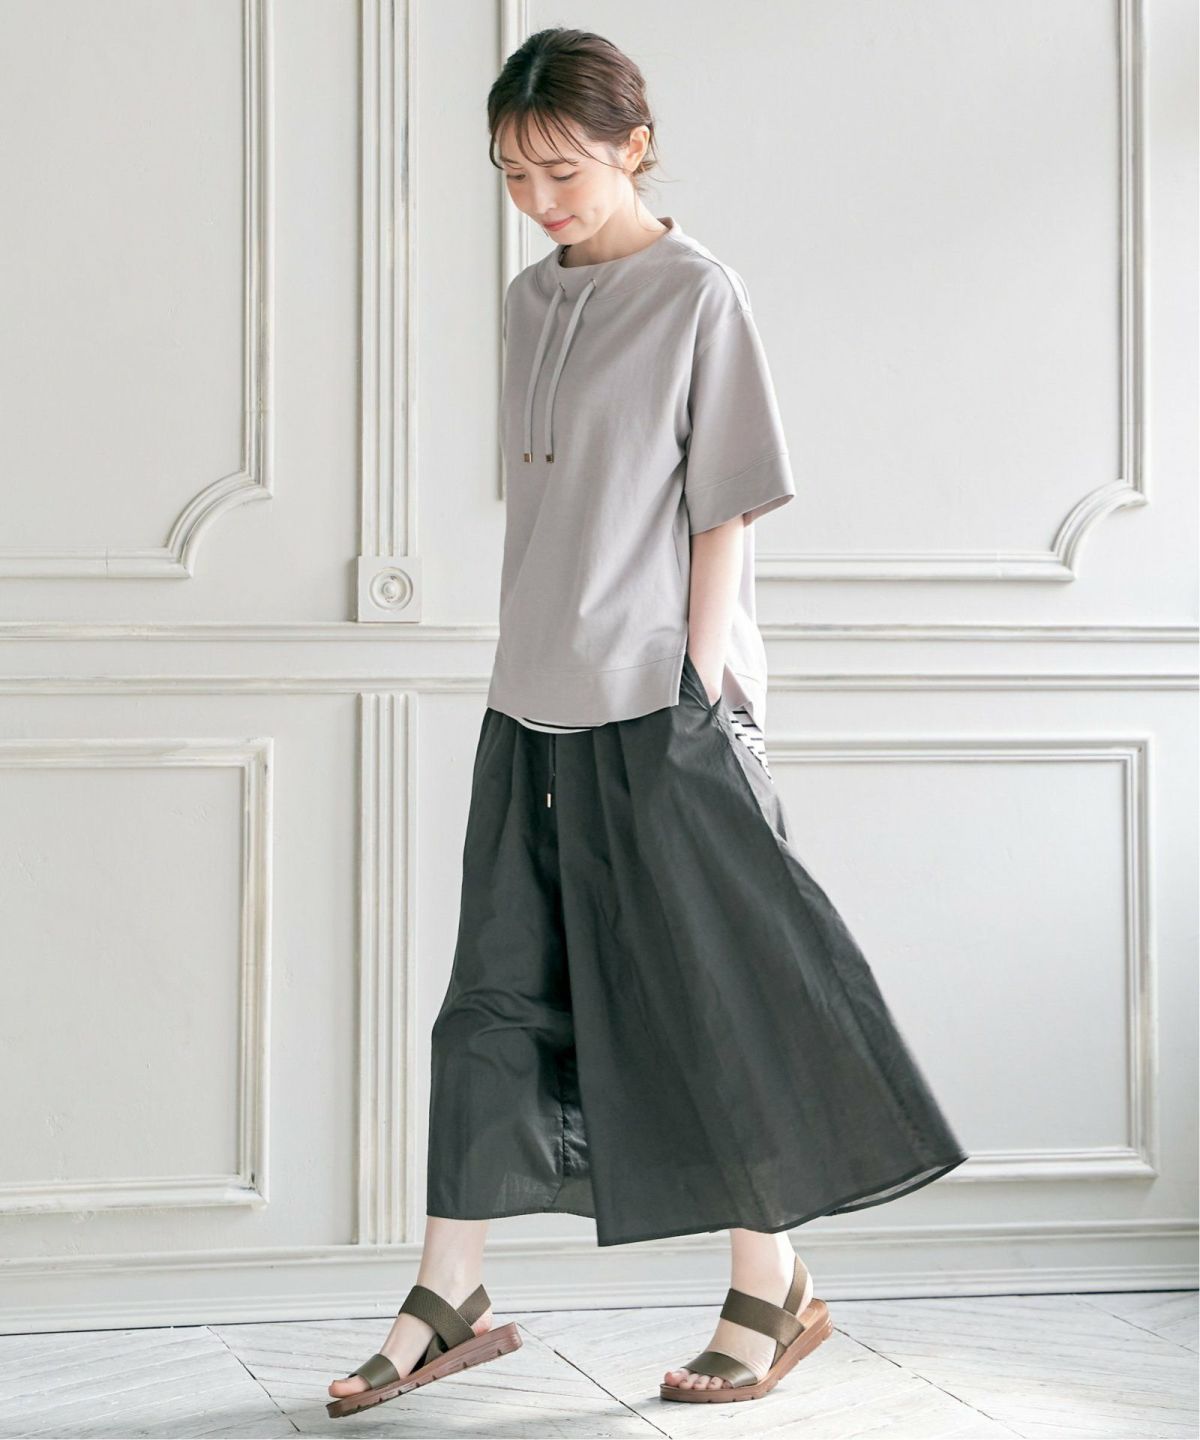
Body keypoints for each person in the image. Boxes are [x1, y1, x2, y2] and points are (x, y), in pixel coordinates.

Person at [327, 25, 969, 1419]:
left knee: (709, 991)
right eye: (512, 175)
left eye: (561, 169)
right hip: (531, 694)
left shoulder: (698, 293)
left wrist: (696, 674)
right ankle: (447, 1290)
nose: (538, 200)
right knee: (491, 994)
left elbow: (724, 501)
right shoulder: (527, 301)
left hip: (660, 700)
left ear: (635, 146)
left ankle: (767, 1282)